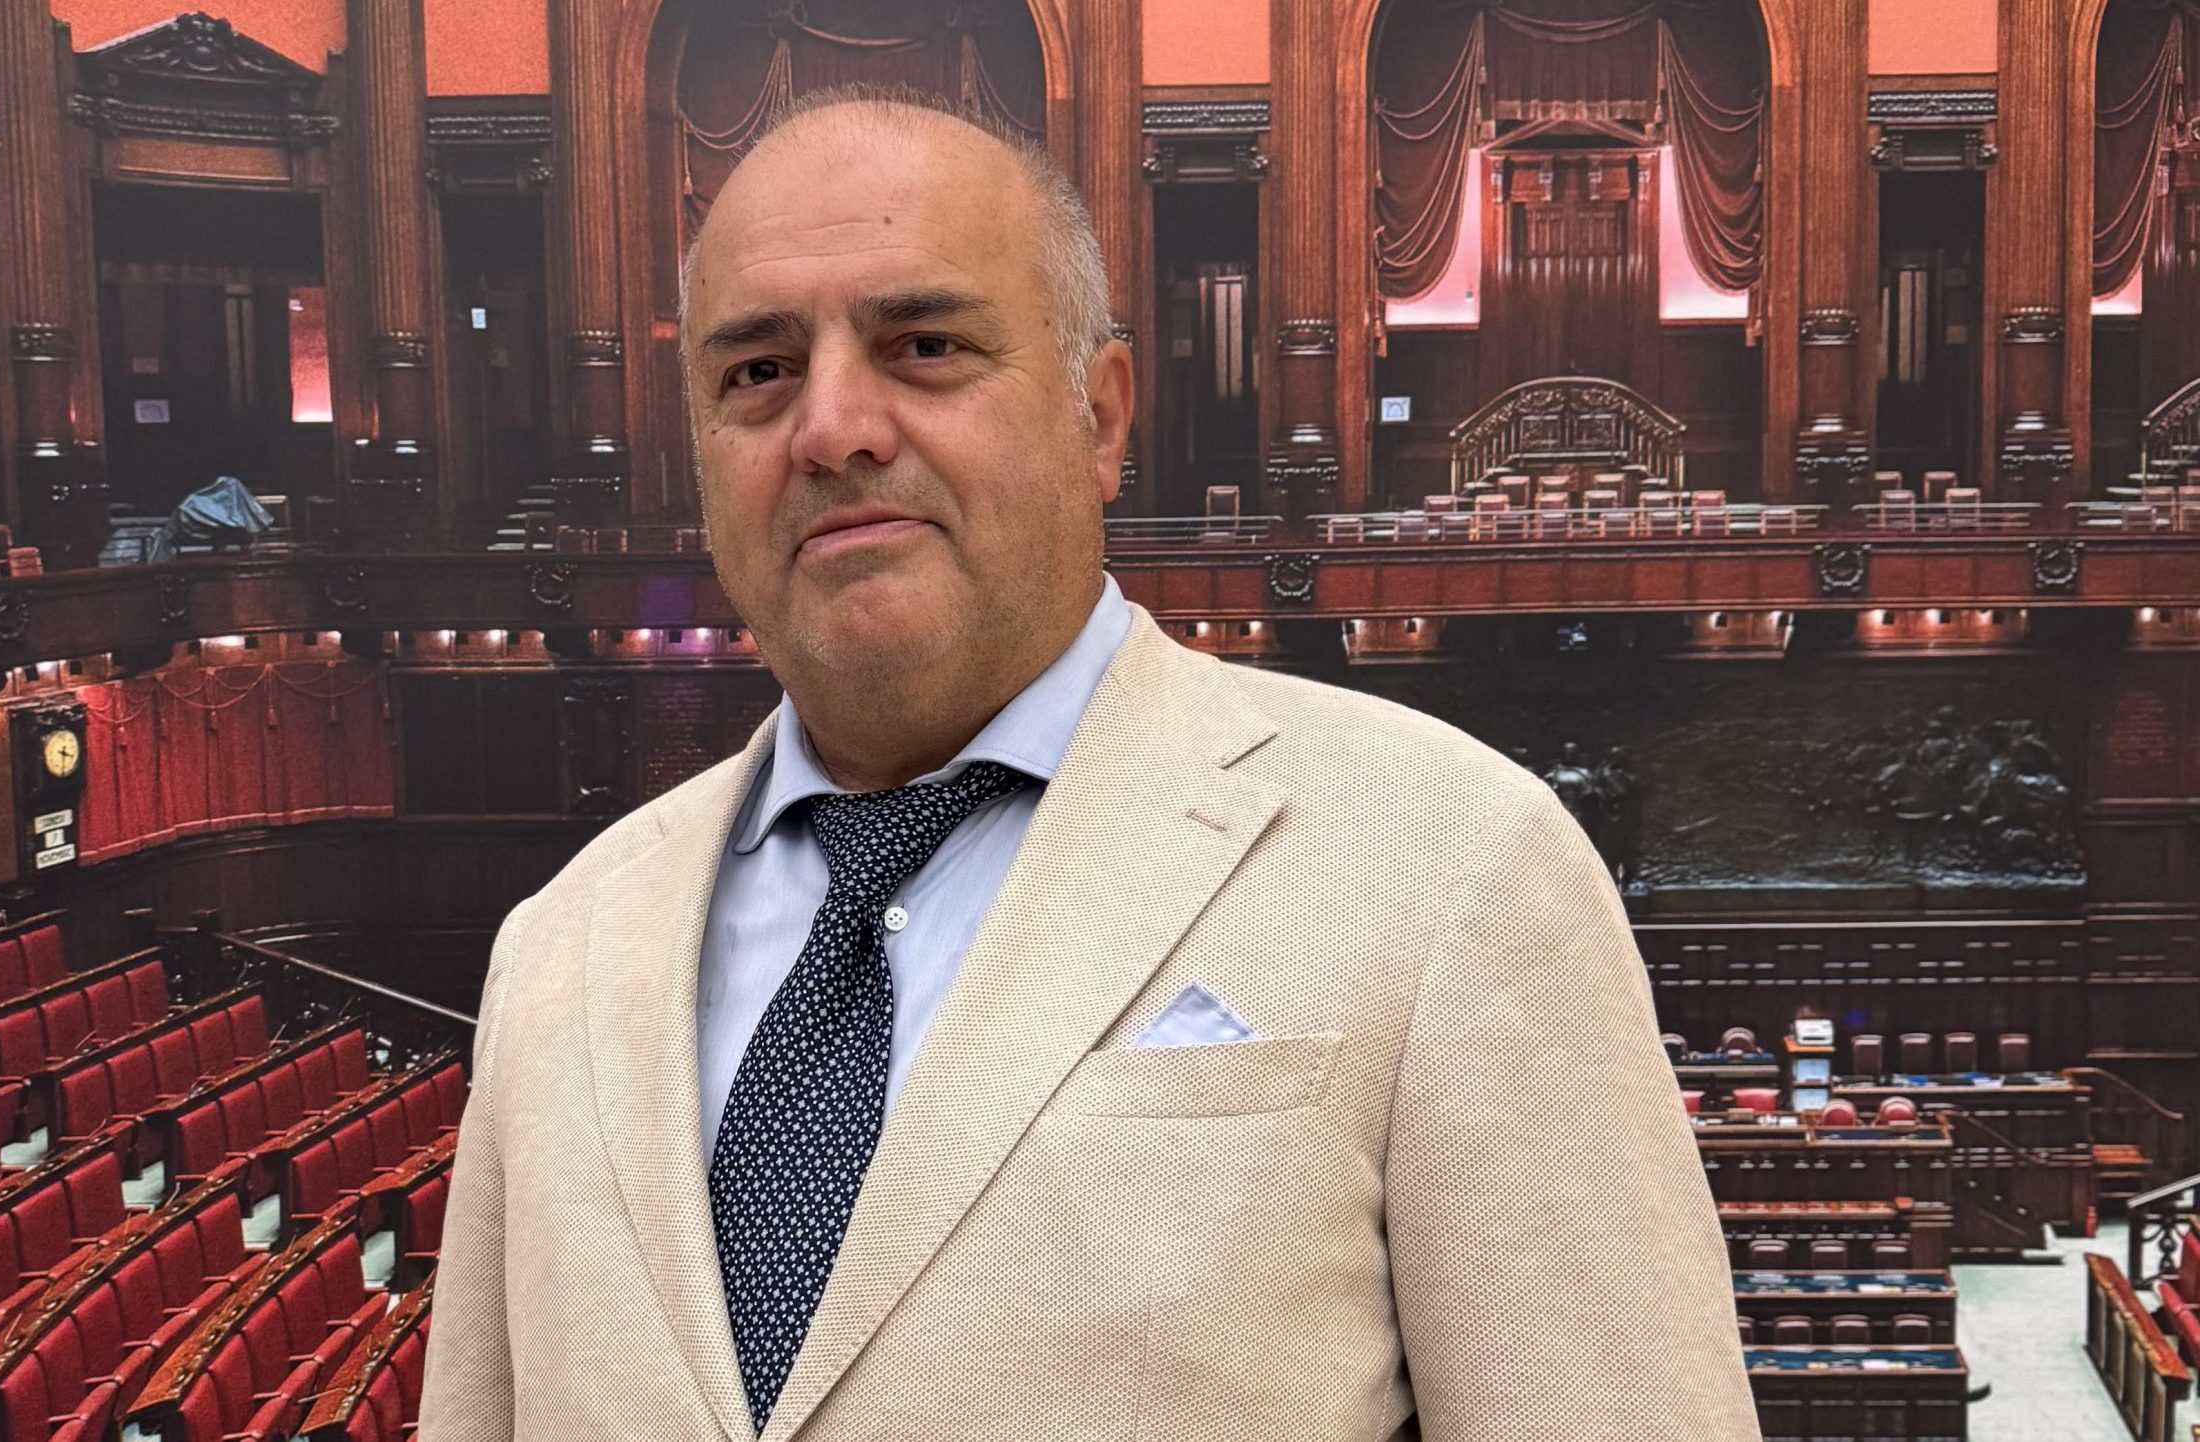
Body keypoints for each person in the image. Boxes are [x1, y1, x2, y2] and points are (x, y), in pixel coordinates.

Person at [417, 84, 1756, 1442]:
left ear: (1101, 415)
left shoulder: (1456, 862)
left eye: (925, 345)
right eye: (757, 372)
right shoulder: (560, 948)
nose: (832, 429)